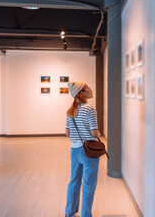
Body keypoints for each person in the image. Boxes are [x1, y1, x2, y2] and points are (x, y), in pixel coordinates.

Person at [65, 81, 101, 217]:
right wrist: (97, 133)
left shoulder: (70, 111)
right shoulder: (90, 109)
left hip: (74, 150)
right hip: (88, 151)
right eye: (87, 88)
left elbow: (67, 133)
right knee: (88, 184)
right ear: (81, 93)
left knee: (74, 180)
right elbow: (94, 133)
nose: (90, 89)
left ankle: (69, 211)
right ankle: (86, 214)